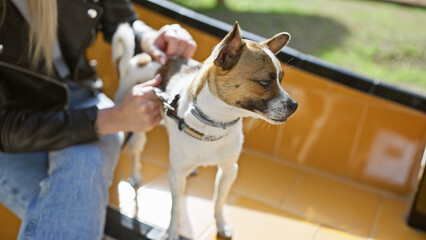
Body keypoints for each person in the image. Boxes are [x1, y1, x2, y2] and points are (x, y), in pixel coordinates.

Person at [0, 0, 196, 239]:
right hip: (9, 128)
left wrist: (148, 39)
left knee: (80, 180)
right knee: (78, 197)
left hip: (78, 93)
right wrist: (111, 119)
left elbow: (120, 19)